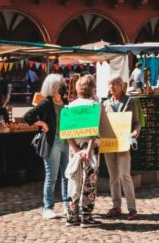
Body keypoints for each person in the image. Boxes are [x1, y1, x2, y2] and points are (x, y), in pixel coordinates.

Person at [24, 73, 69, 219]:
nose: (63, 88)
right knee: (52, 176)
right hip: (52, 142)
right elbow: (28, 116)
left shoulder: (66, 101)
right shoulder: (46, 103)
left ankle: (68, 206)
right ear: (54, 87)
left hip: (66, 141)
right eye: (60, 86)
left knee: (67, 175)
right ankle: (48, 207)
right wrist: (42, 123)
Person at [64, 75, 101, 226]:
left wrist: (75, 149)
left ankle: (72, 215)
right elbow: (94, 131)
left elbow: (66, 132)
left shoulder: (70, 107)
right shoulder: (94, 106)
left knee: (74, 180)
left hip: (75, 149)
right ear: (92, 89)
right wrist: (88, 149)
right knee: (89, 182)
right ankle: (86, 216)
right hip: (90, 149)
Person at [103, 77, 140, 219]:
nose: (112, 86)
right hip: (109, 143)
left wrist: (136, 131)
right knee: (113, 176)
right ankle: (116, 206)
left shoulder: (131, 101)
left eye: (115, 84)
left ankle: (132, 208)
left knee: (125, 175)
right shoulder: (105, 104)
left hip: (124, 143)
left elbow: (137, 123)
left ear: (122, 86)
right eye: (110, 84)